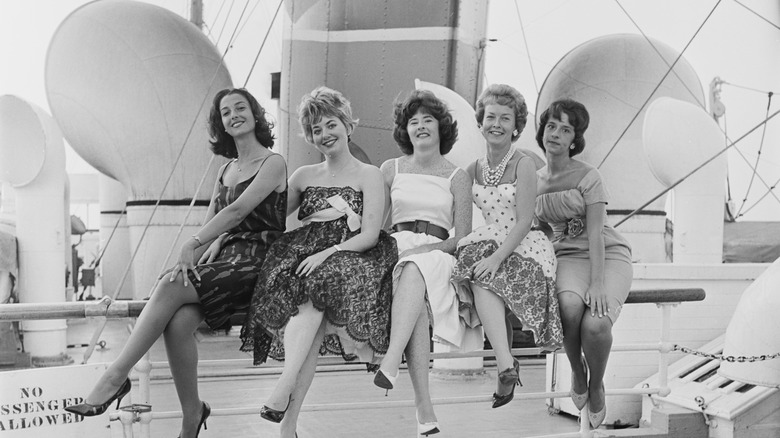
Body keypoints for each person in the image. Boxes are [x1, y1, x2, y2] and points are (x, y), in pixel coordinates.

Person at [65, 88, 288, 438]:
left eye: (240, 108)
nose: (233, 115)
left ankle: (115, 376)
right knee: (179, 320)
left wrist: (191, 245)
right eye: (226, 112)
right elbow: (212, 224)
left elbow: (237, 211)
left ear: (256, 114)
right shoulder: (226, 169)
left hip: (261, 258)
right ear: (222, 125)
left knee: (171, 287)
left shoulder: (273, 163)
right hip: (228, 257)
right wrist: (186, 262)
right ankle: (192, 414)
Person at [240, 86, 397, 438]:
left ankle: (283, 387)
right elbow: (265, 215)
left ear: (346, 124)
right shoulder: (302, 176)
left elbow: (370, 233)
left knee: (316, 283)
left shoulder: (368, 174)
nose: (324, 134)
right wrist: (222, 234)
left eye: (330, 125)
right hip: (304, 252)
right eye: (315, 130)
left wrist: (328, 252)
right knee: (306, 317)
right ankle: (289, 425)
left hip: (350, 253)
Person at [451, 84, 562, 409]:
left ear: (516, 126)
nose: (496, 123)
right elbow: (460, 220)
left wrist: (497, 258)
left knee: (484, 273)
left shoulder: (524, 163)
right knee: (477, 273)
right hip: (490, 243)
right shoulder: (472, 170)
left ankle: (505, 366)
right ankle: (505, 364)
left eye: (505, 118)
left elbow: (525, 220)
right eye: (490, 117)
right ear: (481, 122)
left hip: (525, 247)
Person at [374, 89, 473, 437]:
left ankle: (391, 360)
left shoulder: (458, 176)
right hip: (396, 246)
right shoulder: (391, 169)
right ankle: (423, 407)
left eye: (427, 119)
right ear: (406, 130)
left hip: (438, 250)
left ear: (441, 127)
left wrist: (424, 252)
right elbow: (377, 222)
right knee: (410, 284)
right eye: (413, 121)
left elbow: (462, 237)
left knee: (415, 268)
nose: (420, 126)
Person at [534, 98, 632, 429]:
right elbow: (538, 228)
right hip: (566, 253)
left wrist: (599, 282)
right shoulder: (533, 180)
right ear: (542, 131)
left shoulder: (589, 176)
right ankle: (577, 370)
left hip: (605, 251)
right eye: (551, 126)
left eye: (566, 129)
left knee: (596, 324)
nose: (556, 134)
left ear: (575, 140)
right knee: (568, 306)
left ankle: (596, 383)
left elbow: (595, 235)